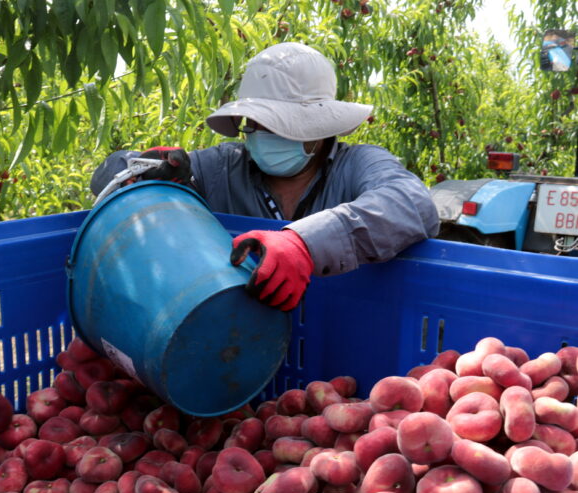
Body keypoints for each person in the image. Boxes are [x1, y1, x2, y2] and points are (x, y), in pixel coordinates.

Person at [91, 42, 440, 311]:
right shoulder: (223, 168)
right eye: (252, 123)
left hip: (338, 348)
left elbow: (412, 203)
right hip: (234, 347)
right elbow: (116, 169)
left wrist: (304, 243)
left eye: (275, 123)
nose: (258, 133)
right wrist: (142, 173)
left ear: (318, 127)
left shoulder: (357, 165)